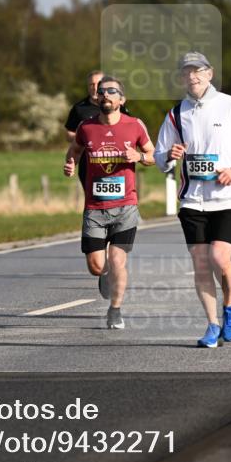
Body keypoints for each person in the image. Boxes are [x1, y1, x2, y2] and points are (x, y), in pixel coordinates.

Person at [154, 52, 231, 348]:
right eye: (186, 72)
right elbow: (159, 155)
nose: (192, 76)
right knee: (202, 265)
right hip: (192, 200)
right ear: (181, 77)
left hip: (228, 197)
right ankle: (211, 324)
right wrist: (169, 156)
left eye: (198, 71)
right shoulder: (176, 113)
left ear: (210, 73)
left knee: (219, 258)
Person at [63, 76, 154, 329]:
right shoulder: (86, 127)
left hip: (125, 206)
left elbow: (152, 155)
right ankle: (104, 276)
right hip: (95, 207)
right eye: (102, 92)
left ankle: (115, 310)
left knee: (117, 261)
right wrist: (70, 164)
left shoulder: (134, 125)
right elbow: (75, 151)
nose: (105, 95)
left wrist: (138, 156)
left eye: (111, 92)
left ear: (121, 99)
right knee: (97, 266)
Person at [64, 70, 105, 190]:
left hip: (113, 160)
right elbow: (68, 134)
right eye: (91, 84)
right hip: (87, 163)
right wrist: (85, 137)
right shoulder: (79, 108)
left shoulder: (117, 106)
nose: (95, 87)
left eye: (98, 84)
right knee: (92, 200)